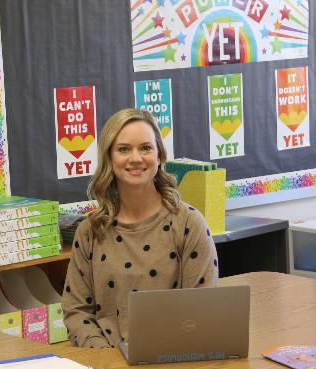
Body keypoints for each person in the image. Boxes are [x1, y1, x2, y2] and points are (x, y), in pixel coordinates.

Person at [62, 108, 219, 348]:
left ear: (159, 157)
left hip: (172, 357)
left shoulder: (189, 223)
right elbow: (76, 311)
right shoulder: (90, 230)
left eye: (145, 148)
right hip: (106, 362)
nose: (136, 158)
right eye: (124, 149)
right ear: (109, 158)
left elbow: (201, 308)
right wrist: (104, 357)